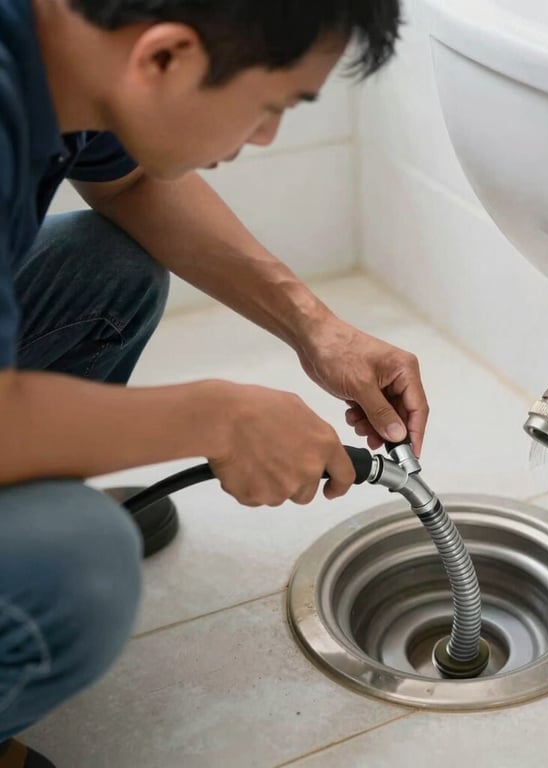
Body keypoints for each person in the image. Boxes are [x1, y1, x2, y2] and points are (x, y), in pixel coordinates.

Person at [0, 0, 429, 764]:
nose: (264, 137)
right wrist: (217, 418)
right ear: (164, 56)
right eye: (270, 107)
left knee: (107, 273)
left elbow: (131, 185)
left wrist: (315, 326)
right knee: (78, 567)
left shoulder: (64, 43)